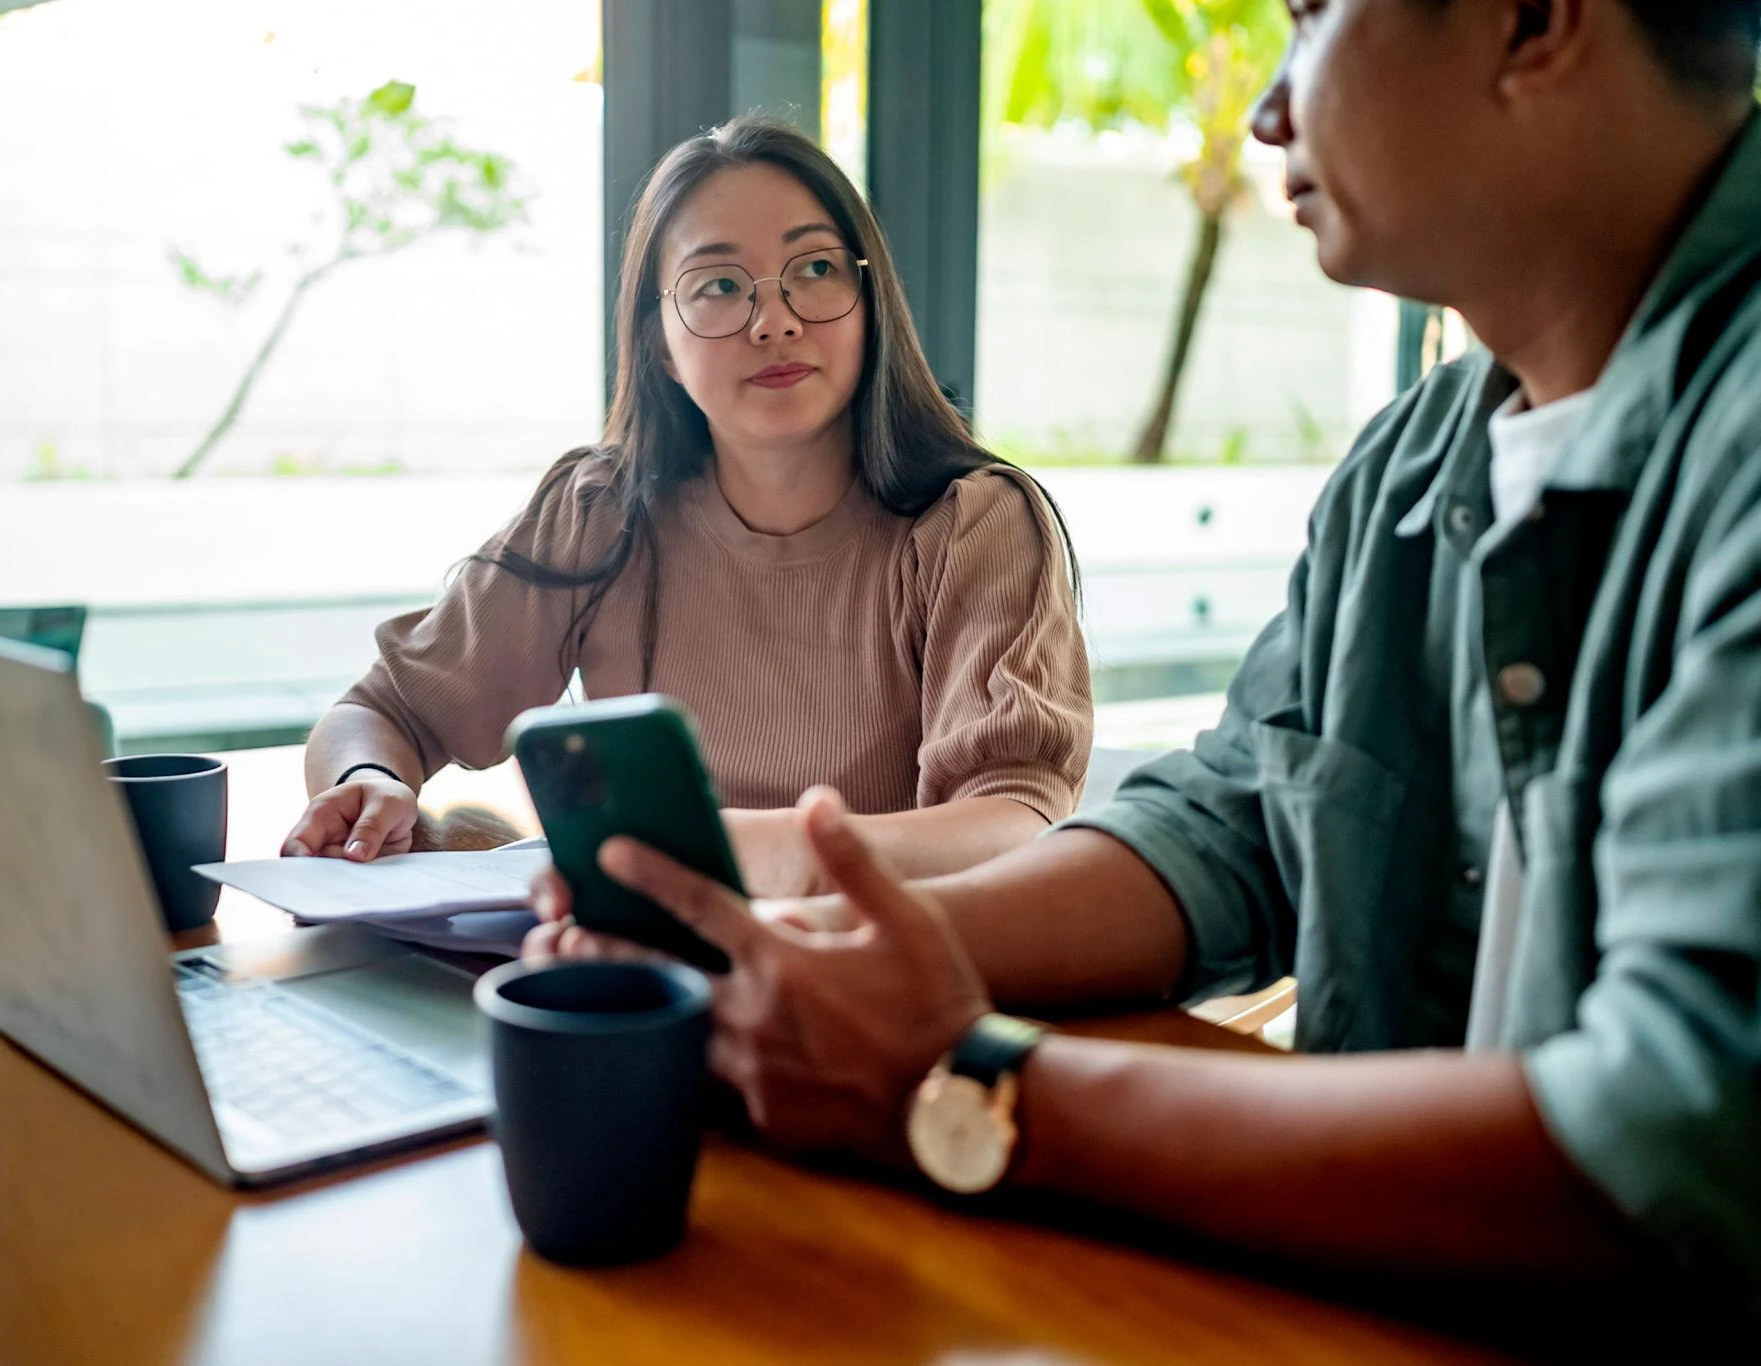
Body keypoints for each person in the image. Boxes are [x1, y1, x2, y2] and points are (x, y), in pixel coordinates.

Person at [531, 0, 1761, 1303]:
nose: (1267, 109)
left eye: (1311, 17)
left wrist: (972, 1089)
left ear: (1533, 22)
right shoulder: (1409, 464)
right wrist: (804, 956)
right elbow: (1231, 826)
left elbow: (1679, 1131)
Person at [281, 117, 1091, 896]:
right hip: (641, 972)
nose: (774, 321)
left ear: (871, 303)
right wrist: (367, 782)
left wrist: (770, 851)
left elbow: (1015, 819)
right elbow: (381, 711)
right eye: (718, 286)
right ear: (660, 345)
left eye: (815, 270)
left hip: (870, 985)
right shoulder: (602, 512)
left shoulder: (974, 525)